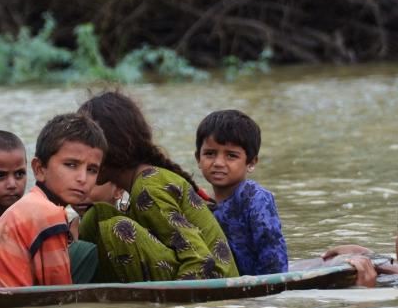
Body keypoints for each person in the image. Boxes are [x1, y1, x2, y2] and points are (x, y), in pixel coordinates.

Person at [77, 91, 239, 282]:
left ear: (111, 147)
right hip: (191, 273)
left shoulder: (149, 188)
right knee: (95, 217)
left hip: (213, 283)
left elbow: (200, 262)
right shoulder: (140, 185)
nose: (81, 161)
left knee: (118, 228)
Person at [0, 113, 107, 288]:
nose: (82, 178)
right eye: (71, 165)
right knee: (89, 253)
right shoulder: (47, 213)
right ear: (39, 169)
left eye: (92, 169)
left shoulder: (32, 204)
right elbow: (60, 295)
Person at [194, 109, 288, 275]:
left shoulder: (254, 197)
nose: (218, 163)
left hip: (258, 288)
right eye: (210, 154)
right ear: (198, 159)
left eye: (231, 156)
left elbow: (274, 258)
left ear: (251, 163)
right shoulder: (201, 204)